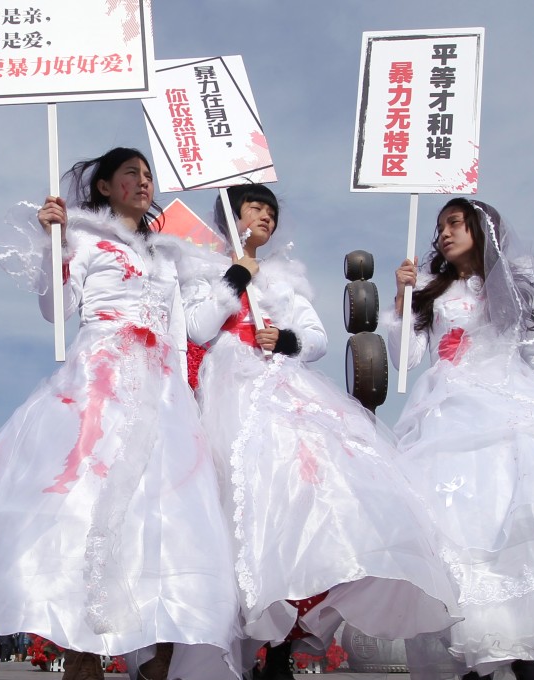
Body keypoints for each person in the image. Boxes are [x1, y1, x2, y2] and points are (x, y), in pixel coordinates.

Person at [0, 147, 242, 680]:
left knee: (164, 515)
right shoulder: (83, 237)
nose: (143, 182)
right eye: (131, 174)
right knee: (81, 507)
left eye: (148, 175)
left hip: (162, 391)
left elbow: (191, 328)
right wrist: (53, 246)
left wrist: (235, 283)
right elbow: (56, 309)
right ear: (104, 187)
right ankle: (81, 649)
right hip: (101, 381)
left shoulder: (168, 255)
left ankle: (159, 647)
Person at [184, 184, 459, 678]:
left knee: (302, 501)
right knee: (236, 510)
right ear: (231, 215)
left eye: (271, 210)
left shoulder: (286, 278)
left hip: (282, 390)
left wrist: (285, 339)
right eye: (255, 208)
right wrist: (234, 279)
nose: (265, 217)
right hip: (229, 389)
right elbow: (198, 328)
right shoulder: (200, 269)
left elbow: (317, 339)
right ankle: (237, 643)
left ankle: (282, 647)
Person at [388, 198, 534, 680]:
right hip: (447, 414)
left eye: (454, 224)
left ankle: (531, 657)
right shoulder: (432, 295)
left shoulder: (514, 290)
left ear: (483, 230)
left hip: (514, 410)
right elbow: (406, 361)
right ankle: (477, 647)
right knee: (462, 532)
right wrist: (402, 300)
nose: (442, 234)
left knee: (524, 527)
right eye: (438, 228)